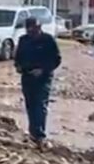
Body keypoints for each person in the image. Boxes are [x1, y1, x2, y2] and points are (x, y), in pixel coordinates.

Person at [14, 17, 62, 145]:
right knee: (30, 105)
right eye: (29, 30)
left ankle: (40, 135)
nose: (32, 32)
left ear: (40, 28)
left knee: (40, 105)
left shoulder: (48, 40)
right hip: (27, 76)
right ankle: (33, 133)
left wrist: (43, 70)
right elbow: (18, 57)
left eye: (34, 29)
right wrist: (18, 67)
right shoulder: (23, 40)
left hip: (43, 77)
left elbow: (56, 59)